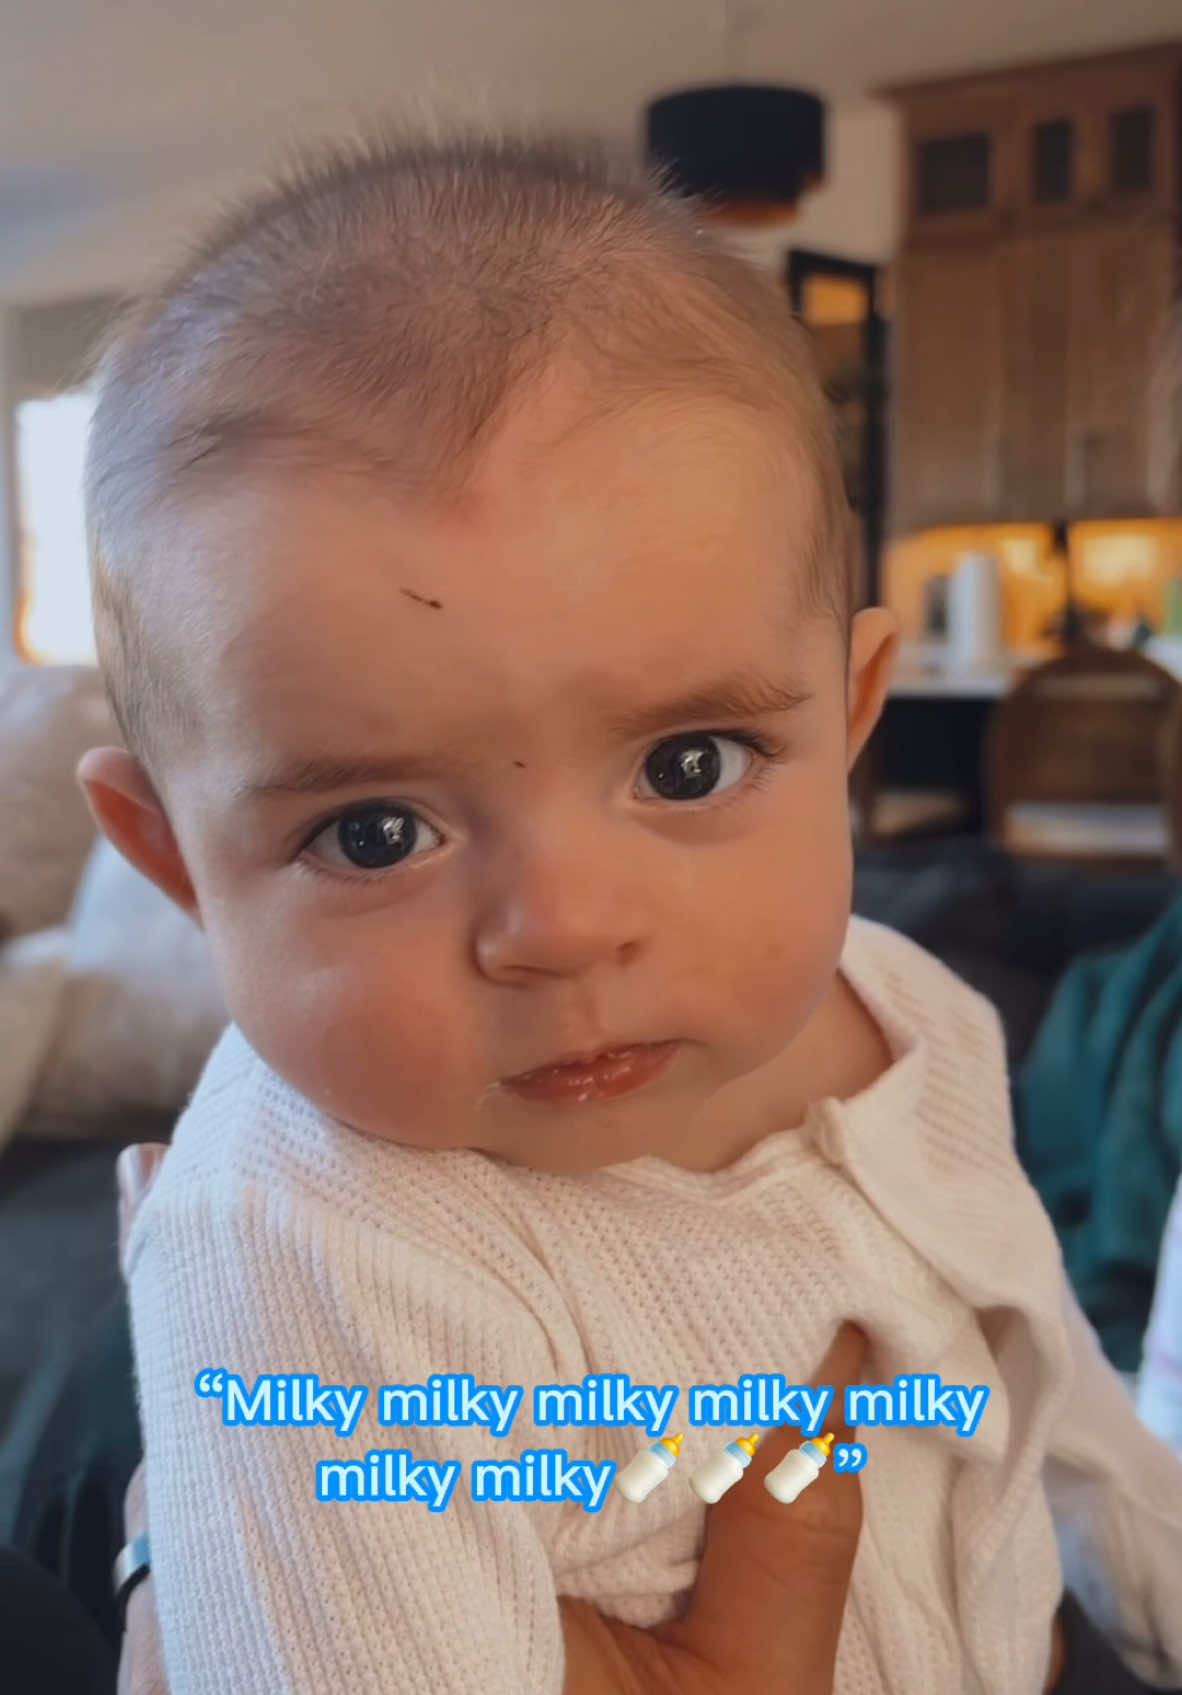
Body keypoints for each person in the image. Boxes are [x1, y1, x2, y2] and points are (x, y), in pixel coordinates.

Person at [71, 130, 1182, 1695]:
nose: (563, 929)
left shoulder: (908, 1006)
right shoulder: (307, 1251)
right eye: (374, 831)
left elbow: (1037, 1371)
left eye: (688, 761)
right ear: (173, 858)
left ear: (848, 717)